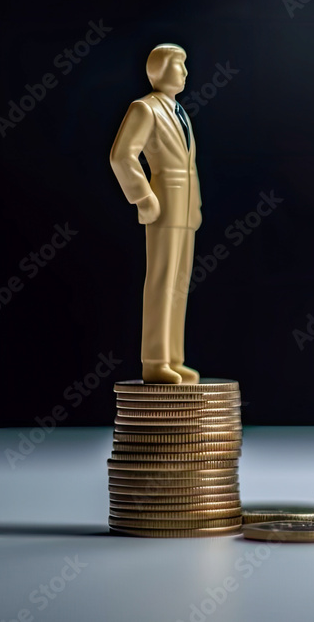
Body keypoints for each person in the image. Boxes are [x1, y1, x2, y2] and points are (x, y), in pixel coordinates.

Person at [109, 44, 202, 384]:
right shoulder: (144, 109)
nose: (186, 73)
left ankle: (173, 357)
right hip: (162, 204)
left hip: (185, 207)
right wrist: (143, 197)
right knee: (162, 280)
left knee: (179, 283)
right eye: (180, 66)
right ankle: (153, 361)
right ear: (160, 69)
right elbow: (121, 156)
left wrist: (196, 206)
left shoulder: (179, 111)